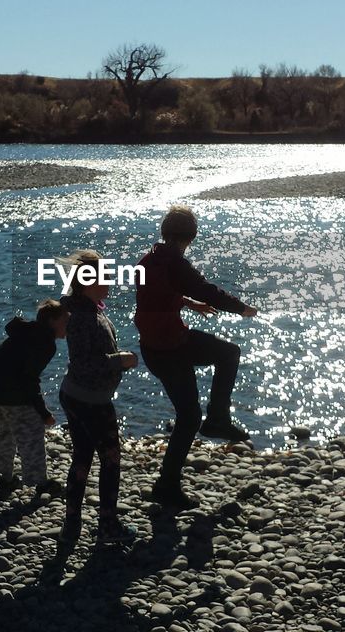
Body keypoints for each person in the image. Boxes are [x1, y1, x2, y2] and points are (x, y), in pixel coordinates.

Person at [135, 205, 258, 510]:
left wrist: (187, 303)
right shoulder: (175, 263)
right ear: (191, 235)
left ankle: (169, 482)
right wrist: (241, 308)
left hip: (154, 347)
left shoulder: (148, 259)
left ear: (166, 232)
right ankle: (216, 421)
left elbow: (156, 294)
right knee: (228, 355)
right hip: (171, 347)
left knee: (188, 416)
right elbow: (206, 289)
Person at [58, 250, 140, 544]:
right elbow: (85, 363)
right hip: (89, 399)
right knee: (110, 459)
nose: (109, 281)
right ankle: (107, 524)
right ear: (87, 281)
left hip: (77, 394)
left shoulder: (86, 308)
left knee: (81, 456)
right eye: (105, 276)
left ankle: (72, 521)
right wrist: (122, 360)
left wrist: (117, 361)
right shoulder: (82, 316)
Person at [0, 299, 69, 496]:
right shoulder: (45, 342)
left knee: (6, 431)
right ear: (53, 321)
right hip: (11, 389)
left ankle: (5, 479)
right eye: (66, 321)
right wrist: (43, 412)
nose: (68, 327)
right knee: (32, 433)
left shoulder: (28, 332)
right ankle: (40, 482)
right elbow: (29, 379)